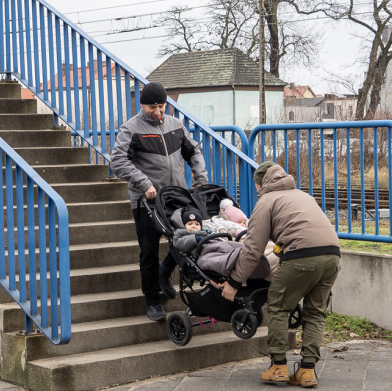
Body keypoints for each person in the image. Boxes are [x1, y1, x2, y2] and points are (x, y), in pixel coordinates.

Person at [221, 162, 341, 388]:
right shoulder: (303, 195)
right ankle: (307, 372)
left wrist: (234, 281)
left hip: (301, 256)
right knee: (315, 313)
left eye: (256, 186)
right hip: (333, 255)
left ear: (260, 184)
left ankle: (278, 366)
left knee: (277, 306)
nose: (257, 190)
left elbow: (252, 249)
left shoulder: (265, 201)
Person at [110, 81, 207, 321]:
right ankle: (152, 300)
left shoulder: (175, 125)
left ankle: (166, 271)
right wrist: (144, 184)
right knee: (149, 250)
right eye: (153, 107)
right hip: (147, 201)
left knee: (183, 241)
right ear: (142, 105)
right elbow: (118, 161)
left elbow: (193, 151)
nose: (158, 112)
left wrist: (200, 178)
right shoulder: (131, 128)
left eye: (162, 106)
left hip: (176, 196)